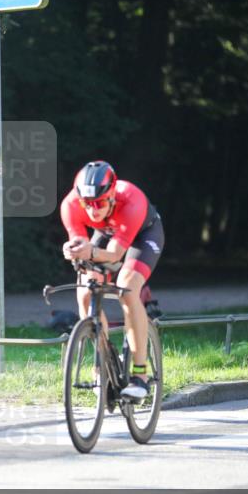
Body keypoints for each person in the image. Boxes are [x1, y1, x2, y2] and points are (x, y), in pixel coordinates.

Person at [60, 160, 164, 400]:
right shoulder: (70, 205)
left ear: (112, 196)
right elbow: (81, 243)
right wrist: (73, 249)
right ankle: (103, 363)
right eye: (87, 204)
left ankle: (140, 375)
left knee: (127, 288)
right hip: (107, 232)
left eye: (99, 203)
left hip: (143, 235)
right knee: (85, 290)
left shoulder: (131, 200)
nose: (93, 210)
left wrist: (90, 252)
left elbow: (115, 254)